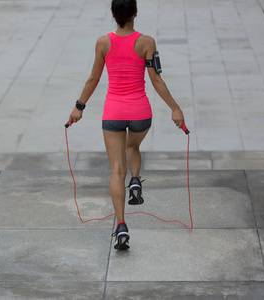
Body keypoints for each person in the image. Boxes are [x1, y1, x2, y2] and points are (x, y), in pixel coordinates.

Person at [67, 0, 185, 250]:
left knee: (114, 168)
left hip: (113, 114)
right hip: (141, 113)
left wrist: (79, 106)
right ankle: (135, 180)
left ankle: (121, 226)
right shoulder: (147, 42)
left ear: (112, 14)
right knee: (132, 147)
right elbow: (156, 80)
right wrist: (175, 108)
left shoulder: (102, 42)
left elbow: (94, 78)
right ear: (135, 14)